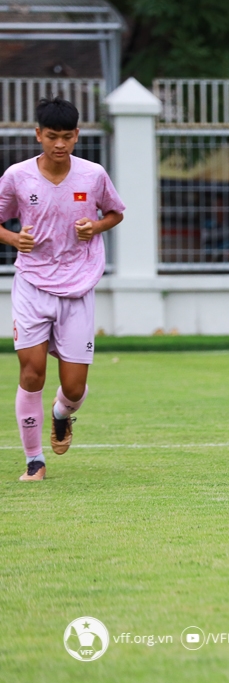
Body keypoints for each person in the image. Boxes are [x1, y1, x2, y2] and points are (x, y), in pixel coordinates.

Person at [0, 97, 125, 481]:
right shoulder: (17, 176)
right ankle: (34, 461)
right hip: (32, 285)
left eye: (67, 137)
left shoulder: (92, 175)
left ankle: (60, 414)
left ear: (77, 136)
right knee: (32, 372)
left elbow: (115, 212)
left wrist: (95, 227)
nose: (59, 144)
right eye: (51, 136)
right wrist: (12, 238)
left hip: (78, 287)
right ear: (38, 134)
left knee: (74, 388)